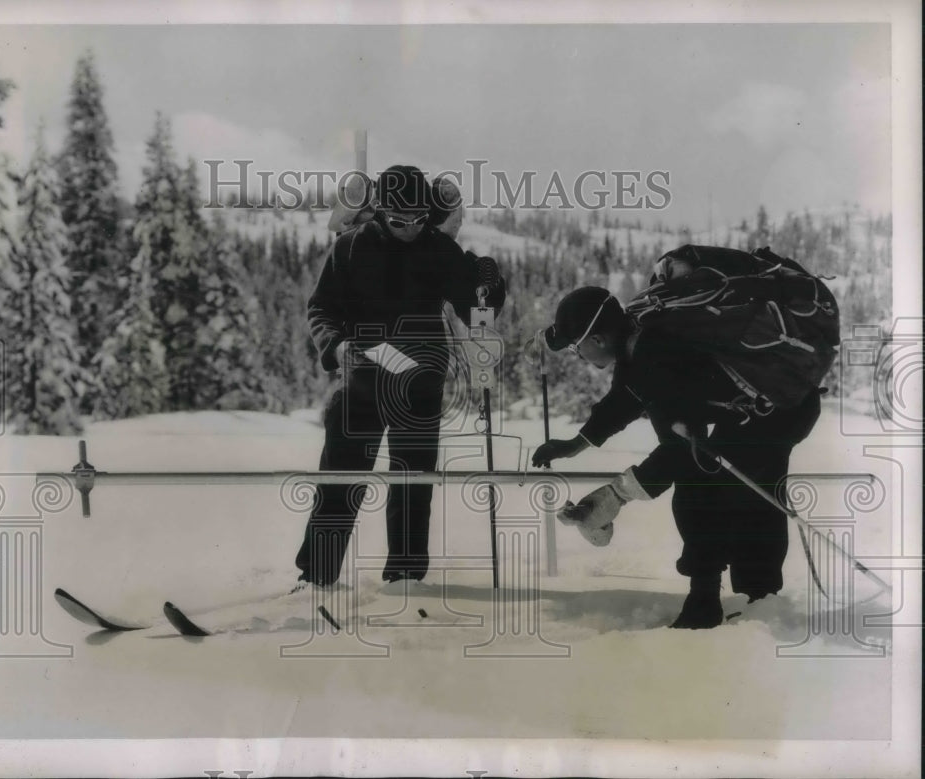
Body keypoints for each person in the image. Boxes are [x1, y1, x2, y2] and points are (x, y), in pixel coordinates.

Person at [531, 285, 821, 628]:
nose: (579, 356)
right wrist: (575, 444)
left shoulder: (659, 355)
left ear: (597, 338)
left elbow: (681, 451)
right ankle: (740, 601)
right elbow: (622, 400)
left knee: (715, 489)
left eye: (578, 347)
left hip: (780, 409)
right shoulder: (638, 344)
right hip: (771, 405)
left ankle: (734, 606)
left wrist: (616, 495)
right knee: (716, 484)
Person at [295, 165, 506, 588]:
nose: (410, 228)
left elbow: (477, 314)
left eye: (418, 219)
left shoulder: (440, 251)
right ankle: (316, 577)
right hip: (361, 383)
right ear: (380, 212)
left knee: (413, 483)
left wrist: (488, 288)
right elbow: (321, 308)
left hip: (420, 385)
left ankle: (406, 578)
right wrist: (336, 346)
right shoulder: (351, 248)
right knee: (340, 481)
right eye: (397, 221)